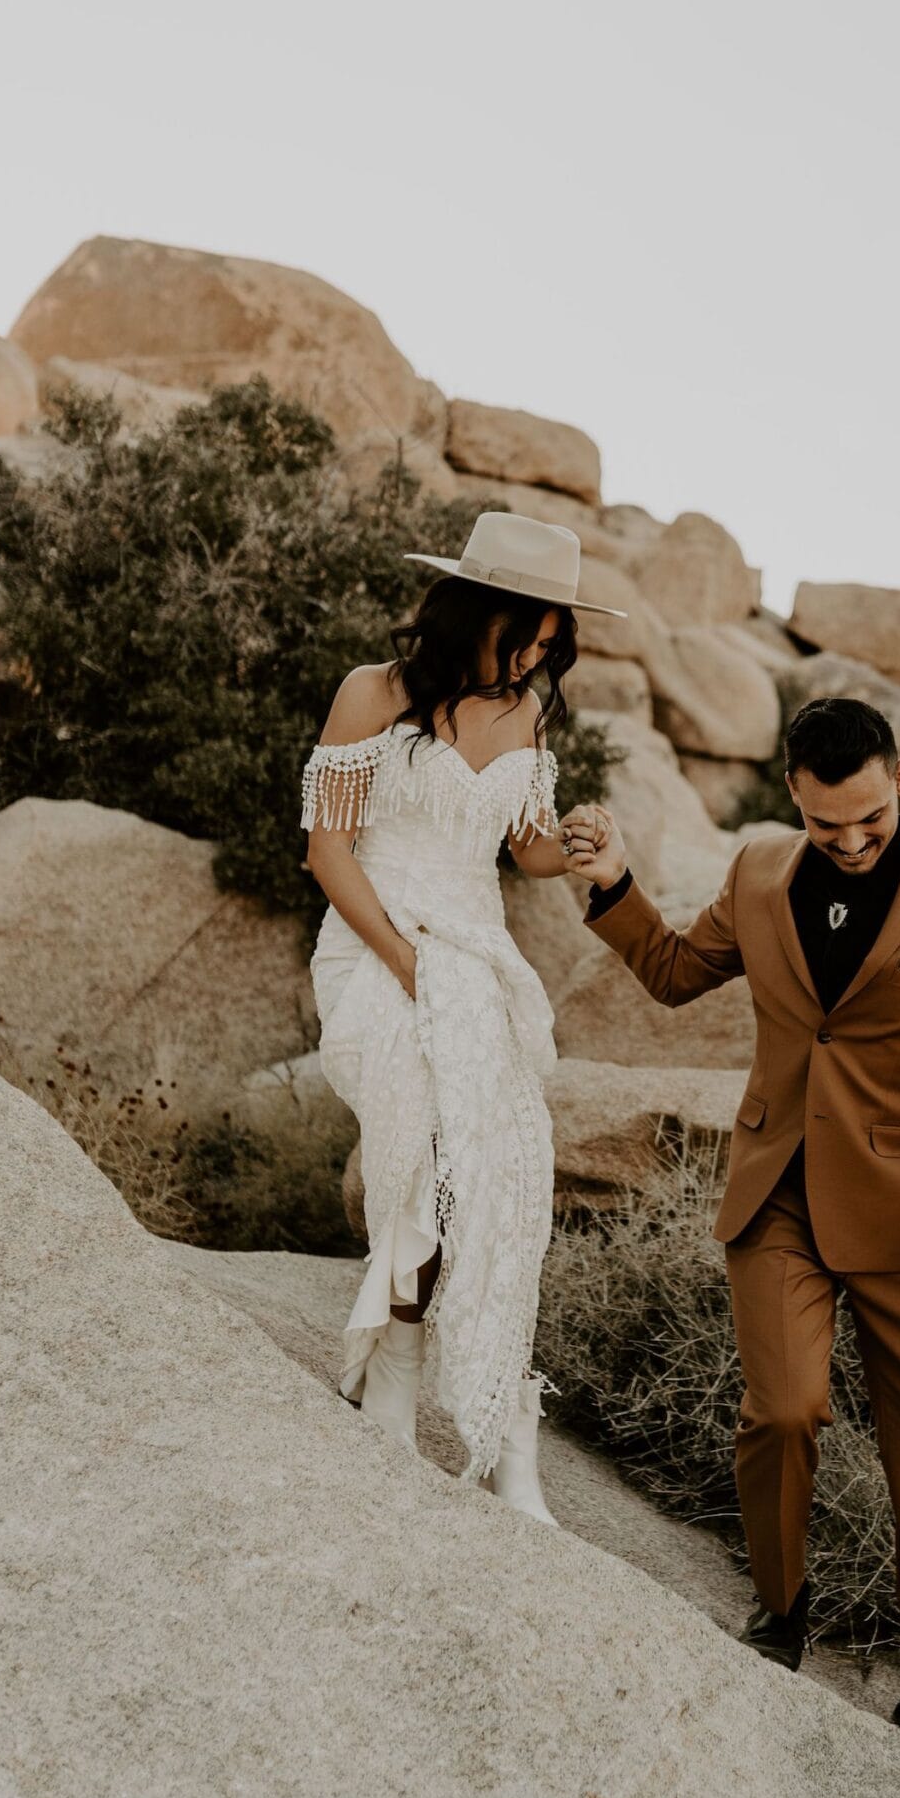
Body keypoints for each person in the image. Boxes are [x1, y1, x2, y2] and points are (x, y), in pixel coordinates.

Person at [563, 695, 900, 1779]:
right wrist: (612, 887)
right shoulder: (758, 876)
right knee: (781, 1411)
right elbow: (678, 973)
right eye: (830, 825)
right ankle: (780, 1613)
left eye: (868, 818)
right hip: (775, 1192)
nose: (852, 841)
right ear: (795, 797)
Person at [301, 511, 626, 1522]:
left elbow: (520, 850)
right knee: (428, 1137)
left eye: (551, 641)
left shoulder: (527, 713)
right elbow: (327, 850)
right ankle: (394, 1369)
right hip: (372, 943)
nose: (539, 654)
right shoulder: (374, 694)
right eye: (528, 632)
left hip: (472, 952)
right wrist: (402, 960)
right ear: (476, 610)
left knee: (507, 1161)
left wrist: (572, 840)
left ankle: (499, 1417)